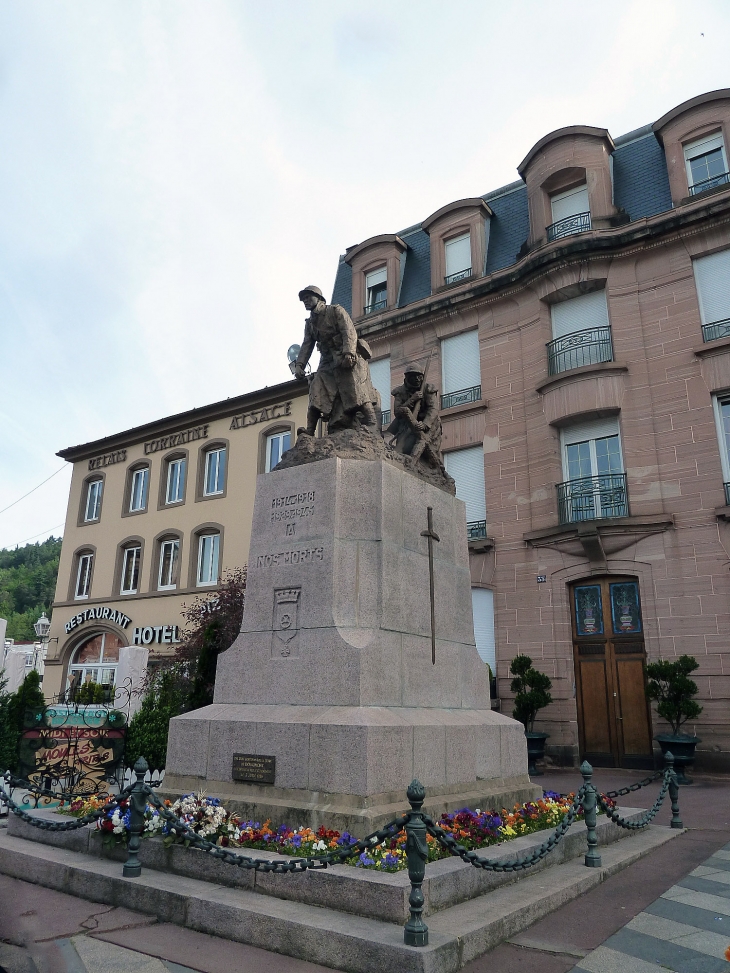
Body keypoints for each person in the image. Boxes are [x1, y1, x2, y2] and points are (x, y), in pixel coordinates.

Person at [294, 286, 379, 436]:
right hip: (327, 360)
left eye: (308, 297)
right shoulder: (310, 323)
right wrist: (300, 365)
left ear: (318, 298)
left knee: (354, 388)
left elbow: (349, 330)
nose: (305, 301)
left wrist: (349, 352)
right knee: (316, 389)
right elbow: (307, 344)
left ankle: (371, 422)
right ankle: (310, 430)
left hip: (346, 354)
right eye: (303, 299)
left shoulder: (335, 311)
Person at [386, 361, 443, 468]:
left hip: (428, 425)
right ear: (407, 377)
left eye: (419, 376)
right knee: (402, 447)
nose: (417, 379)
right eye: (414, 377)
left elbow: (433, 409)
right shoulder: (400, 391)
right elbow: (397, 412)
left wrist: (425, 424)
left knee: (425, 445)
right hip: (407, 423)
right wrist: (412, 399)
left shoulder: (428, 389)